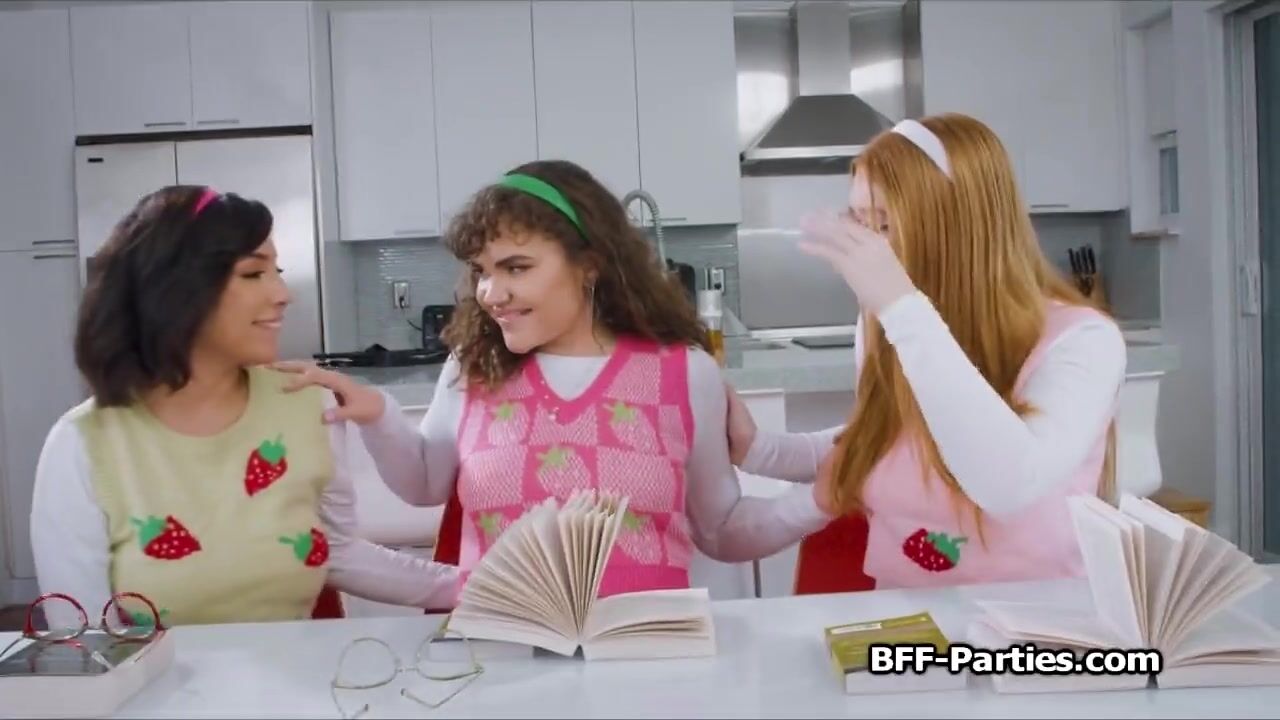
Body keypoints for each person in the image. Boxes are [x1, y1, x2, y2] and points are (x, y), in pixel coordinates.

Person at [276, 160, 831, 599]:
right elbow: (424, 485)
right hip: (502, 653)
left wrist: (820, 500)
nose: (491, 293)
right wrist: (378, 416)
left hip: (647, 658)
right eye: (482, 272)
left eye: (516, 268)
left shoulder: (684, 372)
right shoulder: (473, 367)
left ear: (589, 264)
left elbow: (722, 529)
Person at [725, 113, 1126, 592]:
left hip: (1038, 621)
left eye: (884, 224)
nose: (867, 247)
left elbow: (1009, 484)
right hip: (905, 616)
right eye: (859, 222)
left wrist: (900, 306)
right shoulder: (886, 323)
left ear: (959, 227)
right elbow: (891, 438)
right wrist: (761, 451)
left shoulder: (1083, 341)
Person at [29, 186, 459, 628]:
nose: (282, 294)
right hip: (153, 676)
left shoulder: (304, 403)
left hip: (296, 671)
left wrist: (468, 586)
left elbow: (334, 548)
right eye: (253, 274)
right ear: (175, 290)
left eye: (277, 271)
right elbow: (84, 635)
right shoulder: (83, 444)